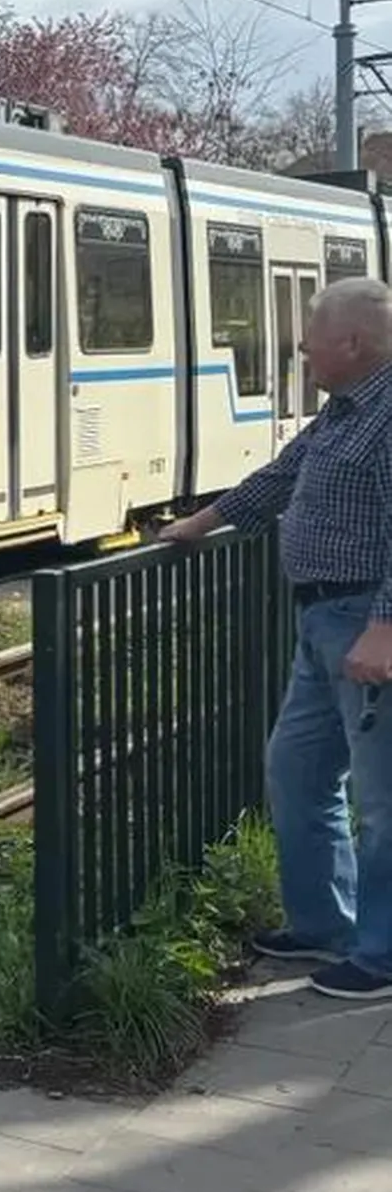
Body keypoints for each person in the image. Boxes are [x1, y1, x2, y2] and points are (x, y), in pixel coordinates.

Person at [162, 275, 392, 1000]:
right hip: (320, 623)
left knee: (382, 800)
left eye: (311, 337)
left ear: (350, 343)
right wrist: (198, 524)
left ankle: (381, 955)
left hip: (364, 626)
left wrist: (384, 627)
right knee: (296, 773)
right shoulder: (344, 412)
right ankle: (322, 923)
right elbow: (280, 476)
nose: (302, 349)